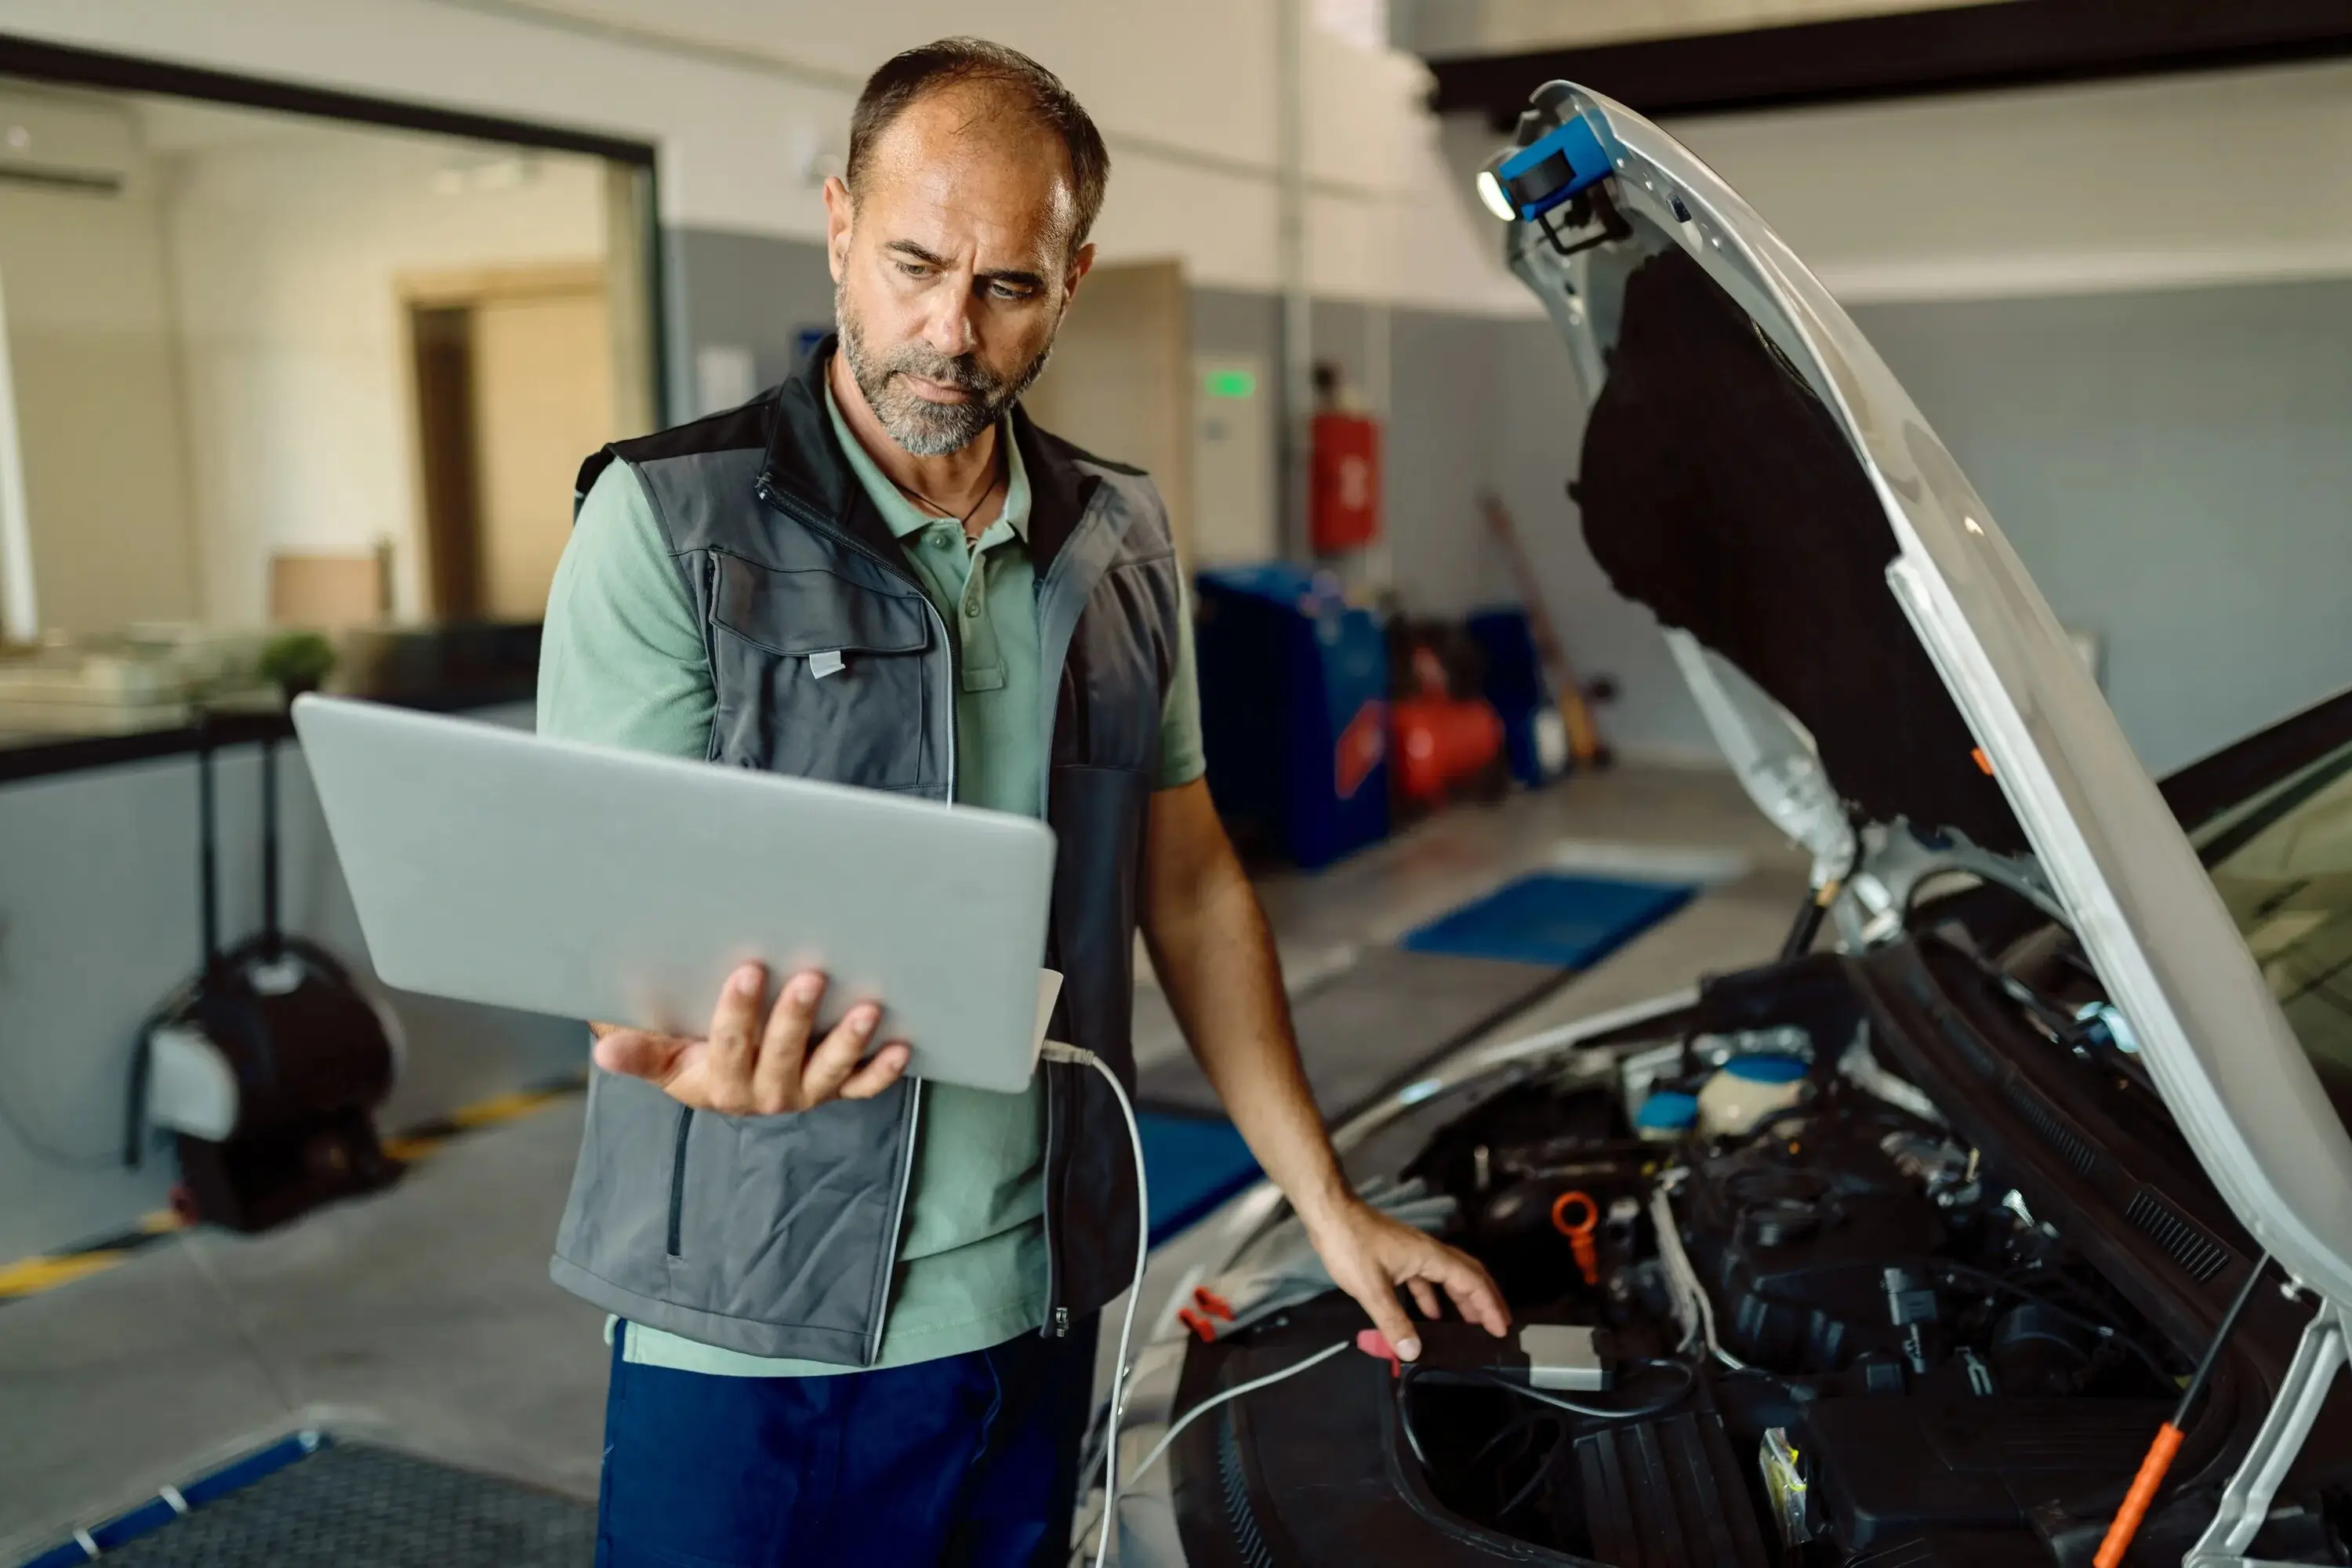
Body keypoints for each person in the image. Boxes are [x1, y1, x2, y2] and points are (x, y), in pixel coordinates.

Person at [535, 37, 1508, 1567]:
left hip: (1037, 1309)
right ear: (841, 224)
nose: (949, 333)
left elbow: (1185, 882)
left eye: (1009, 288)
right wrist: (676, 1055)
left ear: (1077, 278)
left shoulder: (1116, 538)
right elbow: (605, 948)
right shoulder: (666, 525)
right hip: (753, 1341)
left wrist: (1324, 1202)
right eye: (916, 263)